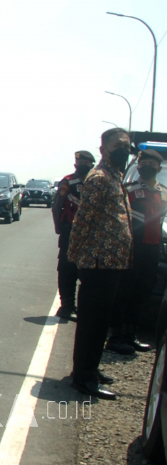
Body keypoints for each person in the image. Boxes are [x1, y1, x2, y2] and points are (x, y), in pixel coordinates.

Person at [67, 128, 134, 400]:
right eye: (118, 144)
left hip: (111, 264)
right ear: (104, 148)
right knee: (92, 323)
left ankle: (89, 368)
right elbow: (83, 221)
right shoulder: (99, 178)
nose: (124, 149)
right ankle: (84, 377)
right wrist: (74, 256)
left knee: (100, 321)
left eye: (128, 145)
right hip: (97, 264)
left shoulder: (114, 177)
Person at [106, 149, 166, 354]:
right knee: (124, 291)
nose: (146, 166)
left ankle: (130, 335)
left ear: (159, 167)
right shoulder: (128, 189)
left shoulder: (163, 192)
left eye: (152, 163)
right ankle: (115, 336)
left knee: (143, 293)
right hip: (132, 247)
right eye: (143, 163)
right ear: (138, 166)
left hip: (153, 248)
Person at [51, 150, 96, 320]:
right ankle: (66, 305)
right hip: (70, 230)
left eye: (87, 163)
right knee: (67, 268)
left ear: (92, 165)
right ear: (76, 164)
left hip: (91, 233)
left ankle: (84, 307)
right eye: (80, 162)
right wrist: (58, 228)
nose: (83, 165)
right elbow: (57, 206)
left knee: (87, 270)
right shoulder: (68, 182)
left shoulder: (96, 183)